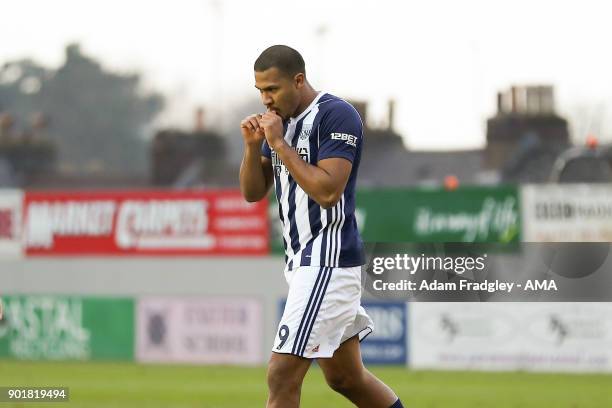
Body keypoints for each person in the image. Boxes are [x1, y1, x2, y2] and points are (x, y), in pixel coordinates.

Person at [239, 45, 403, 408]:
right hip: (300, 262)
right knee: (346, 378)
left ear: (298, 80)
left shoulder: (335, 115)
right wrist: (253, 148)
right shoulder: (277, 122)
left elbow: (328, 192)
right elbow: (253, 192)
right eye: (260, 91)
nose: (266, 100)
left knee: (281, 373)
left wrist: (279, 144)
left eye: (273, 89)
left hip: (327, 258)